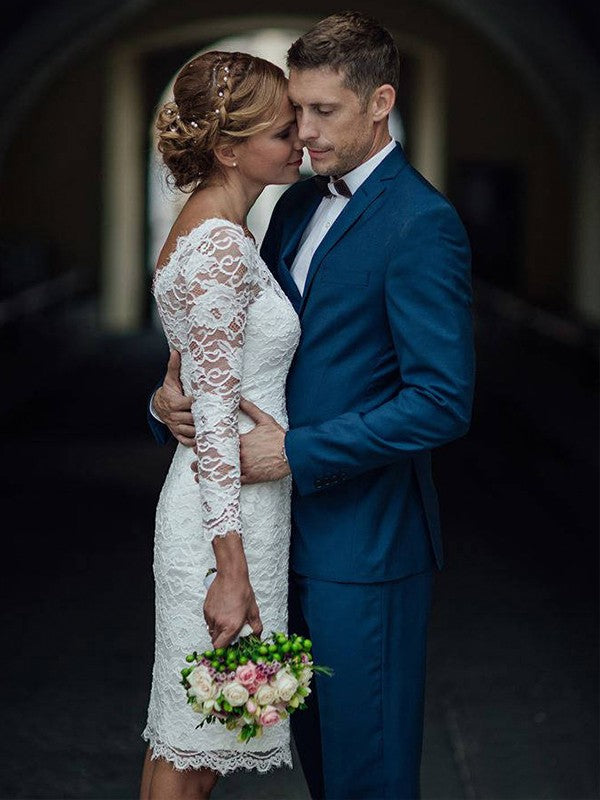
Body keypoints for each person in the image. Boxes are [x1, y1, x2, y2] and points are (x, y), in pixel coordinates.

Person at [150, 12, 475, 799]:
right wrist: (170, 395)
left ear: (380, 102)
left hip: (365, 552)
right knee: (315, 768)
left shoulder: (422, 224)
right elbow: (239, 345)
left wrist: (294, 453)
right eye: (296, 110)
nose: (303, 132)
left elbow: (441, 401)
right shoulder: (289, 205)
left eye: (323, 111)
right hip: (271, 540)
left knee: (368, 774)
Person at [140, 50, 303, 800]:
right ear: (230, 149)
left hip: (241, 511)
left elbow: (193, 382)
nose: (299, 138)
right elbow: (209, 417)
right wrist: (231, 574)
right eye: (282, 129)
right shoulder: (215, 246)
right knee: (196, 749)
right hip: (221, 529)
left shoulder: (220, 231)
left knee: (200, 735)